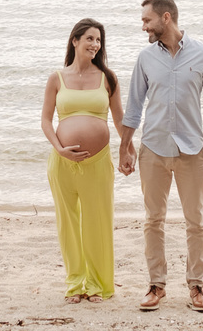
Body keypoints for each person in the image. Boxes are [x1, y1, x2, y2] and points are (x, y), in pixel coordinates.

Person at [118, 0, 203, 313]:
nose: (143, 27)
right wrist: (125, 147)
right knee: (153, 220)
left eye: (146, 20)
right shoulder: (145, 58)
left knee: (197, 222)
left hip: (192, 151)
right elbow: (134, 107)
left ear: (166, 18)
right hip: (153, 149)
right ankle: (156, 285)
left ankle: (197, 286)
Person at [41, 18, 125, 304]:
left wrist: (127, 148)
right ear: (75, 40)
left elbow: (120, 120)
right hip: (62, 162)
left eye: (99, 40)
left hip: (97, 162)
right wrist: (59, 149)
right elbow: (46, 120)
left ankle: (98, 284)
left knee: (98, 222)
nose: (95, 44)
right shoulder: (57, 78)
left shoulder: (108, 78)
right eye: (89, 38)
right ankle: (76, 283)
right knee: (68, 223)